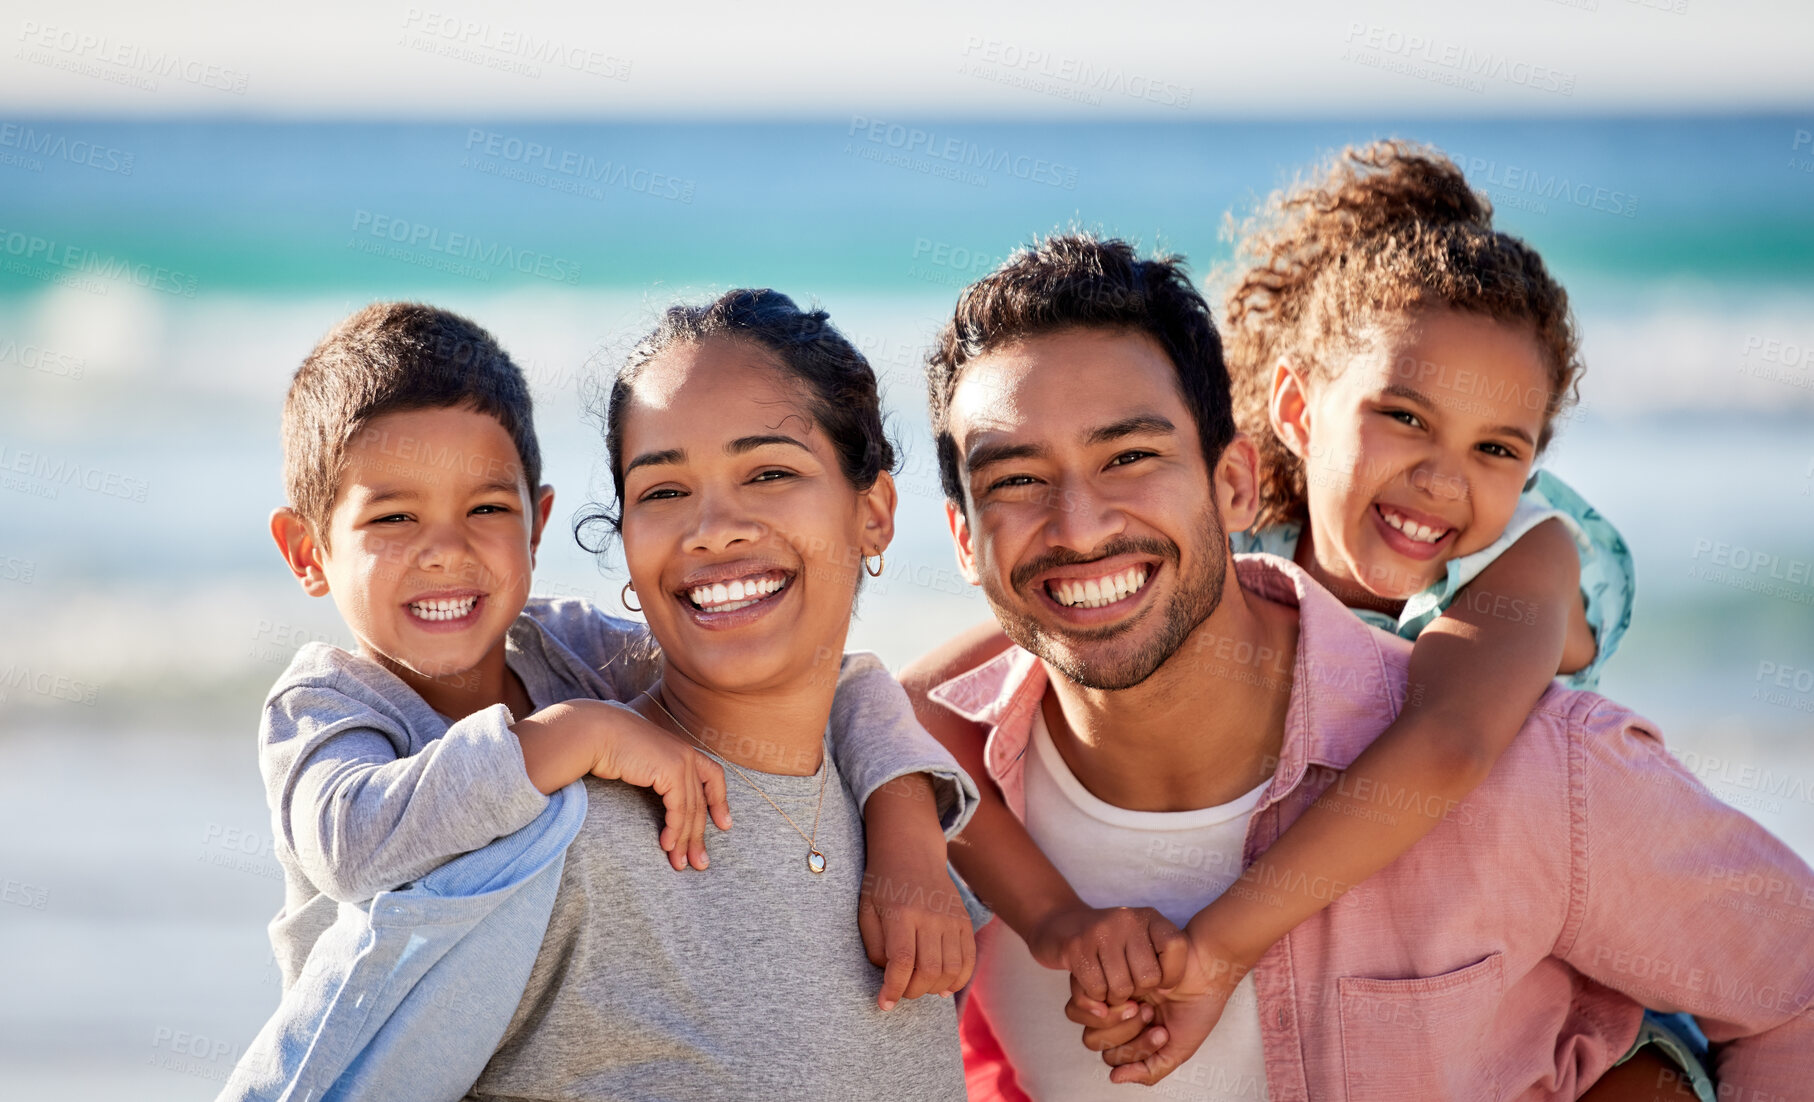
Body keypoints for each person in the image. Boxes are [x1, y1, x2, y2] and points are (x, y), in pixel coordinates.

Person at [904, 231, 1813, 1100]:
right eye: (1016, 479)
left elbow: (1796, 986)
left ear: (1233, 484)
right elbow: (904, 706)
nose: (1080, 524)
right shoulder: (914, 803)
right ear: (962, 537)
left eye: (1131, 457)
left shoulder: (1540, 762)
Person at [223, 301, 975, 1101]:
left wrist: (904, 818)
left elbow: (834, 677)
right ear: (308, 553)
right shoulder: (338, 709)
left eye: (769, 472)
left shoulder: (568, 651)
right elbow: (351, 846)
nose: (444, 550)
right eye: (664, 489)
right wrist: (569, 734)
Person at [464, 289, 971, 1100]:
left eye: (769, 472)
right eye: (663, 492)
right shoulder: (553, 838)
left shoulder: (909, 841)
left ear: (873, 514)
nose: (713, 528)